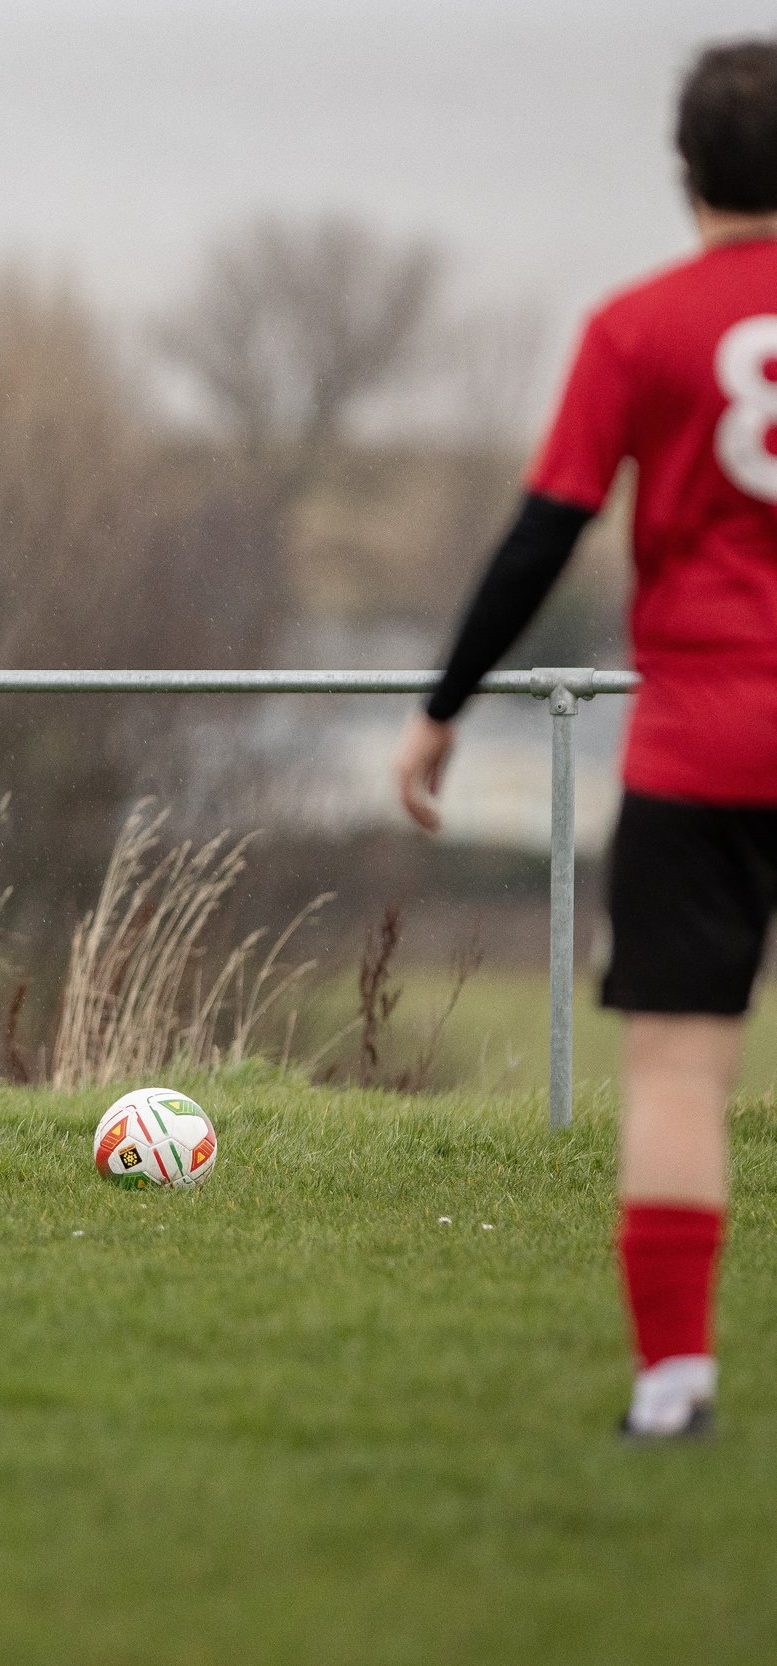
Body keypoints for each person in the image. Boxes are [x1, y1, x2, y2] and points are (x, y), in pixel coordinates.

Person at [393, 39, 777, 1437]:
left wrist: (443, 707)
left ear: (685, 172)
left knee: (680, 1069)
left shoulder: (635, 327)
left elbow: (541, 534)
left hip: (698, 750)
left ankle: (675, 1388)